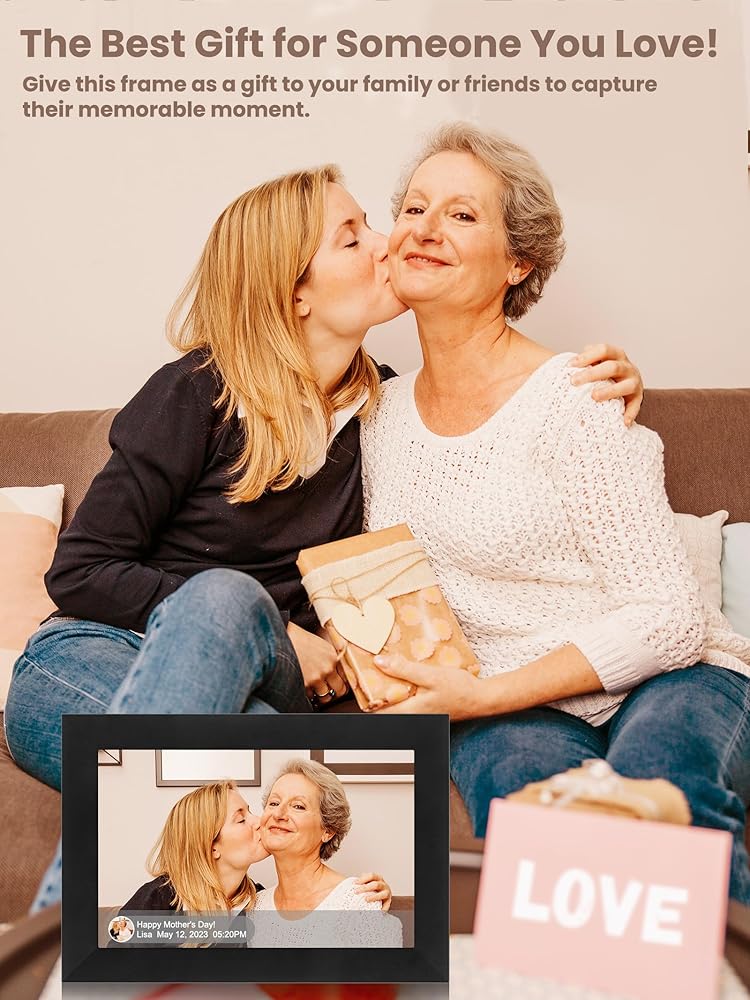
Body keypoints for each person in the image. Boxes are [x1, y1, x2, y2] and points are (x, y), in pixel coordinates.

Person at [4, 162, 642, 910]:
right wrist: (275, 622)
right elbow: (80, 570)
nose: (386, 242)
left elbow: (494, 434)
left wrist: (595, 385)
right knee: (230, 676)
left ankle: (59, 954)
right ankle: (127, 946)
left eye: (370, 223)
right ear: (295, 290)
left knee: (238, 717)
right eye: (351, 237)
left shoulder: (393, 410)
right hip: (93, 661)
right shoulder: (198, 392)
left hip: (266, 678)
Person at [360, 123, 750, 902]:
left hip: (671, 677)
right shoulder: (373, 415)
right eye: (414, 209)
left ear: (518, 262)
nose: (426, 229)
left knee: (661, 788)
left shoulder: (579, 395)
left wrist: (482, 696)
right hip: (512, 711)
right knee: (541, 823)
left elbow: (670, 621)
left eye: (462, 215)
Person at [118, 780, 391, 928]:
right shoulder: (159, 899)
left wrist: (363, 899)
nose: (259, 820)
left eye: (250, 811)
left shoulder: (257, 903)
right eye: (241, 819)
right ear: (211, 846)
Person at [251, 759, 403, 947]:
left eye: (298, 806)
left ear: (328, 830)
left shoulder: (356, 901)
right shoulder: (255, 907)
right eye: (274, 803)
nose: (278, 814)